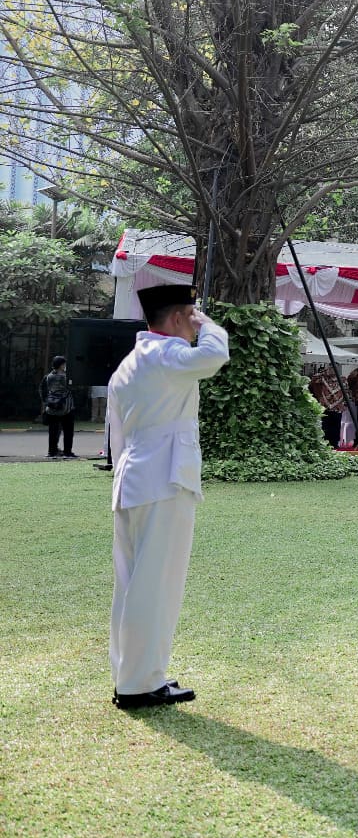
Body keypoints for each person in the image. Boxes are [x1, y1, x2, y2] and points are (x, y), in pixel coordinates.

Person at [106, 284, 230, 709]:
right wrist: (209, 324)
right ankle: (140, 684)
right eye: (191, 316)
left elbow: (116, 434)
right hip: (165, 480)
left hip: (134, 480)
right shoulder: (166, 353)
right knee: (155, 585)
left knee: (132, 584)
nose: (195, 325)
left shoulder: (129, 364)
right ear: (178, 317)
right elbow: (213, 356)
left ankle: (132, 675)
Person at [40, 354, 77, 459]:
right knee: (68, 431)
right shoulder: (65, 377)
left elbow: (43, 389)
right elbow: (72, 387)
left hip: (52, 407)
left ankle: (51, 451)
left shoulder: (48, 377)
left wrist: (46, 401)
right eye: (64, 364)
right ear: (61, 365)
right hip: (66, 407)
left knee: (53, 431)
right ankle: (67, 452)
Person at [308, 363, 346, 447]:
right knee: (325, 427)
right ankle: (325, 444)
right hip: (325, 407)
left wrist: (344, 404)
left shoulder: (342, 379)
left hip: (337, 407)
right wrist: (323, 372)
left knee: (336, 427)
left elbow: (346, 391)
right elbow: (312, 382)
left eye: (334, 368)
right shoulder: (322, 378)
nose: (332, 370)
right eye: (331, 368)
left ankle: (334, 444)